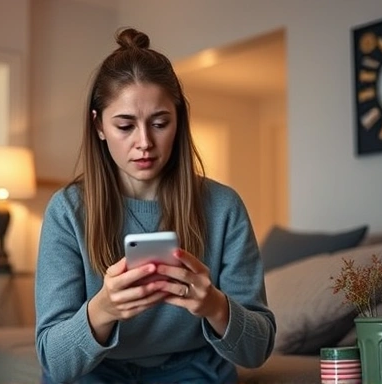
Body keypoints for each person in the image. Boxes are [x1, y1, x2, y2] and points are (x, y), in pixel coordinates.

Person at [35, 27, 276, 384]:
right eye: (125, 125)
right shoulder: (68, 211)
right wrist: (103, 309)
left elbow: (257, 351)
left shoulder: (223, 207)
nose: (144, 142)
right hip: (97, 372)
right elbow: (55, 361)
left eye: (160, 123)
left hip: (194, 370)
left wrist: (213, 304)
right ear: (98, 125)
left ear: (179, 121)